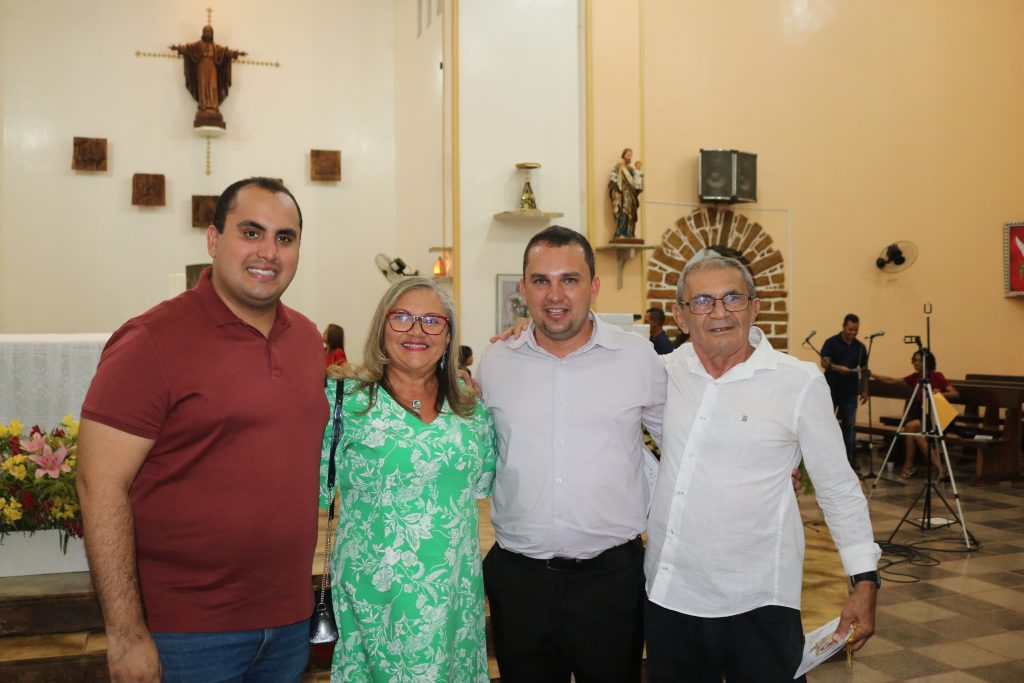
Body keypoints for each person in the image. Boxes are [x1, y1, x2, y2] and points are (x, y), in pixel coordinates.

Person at [76, 177, 328, 683]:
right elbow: (98, 484)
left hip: (288, 621)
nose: (269, 252)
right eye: (251, 233)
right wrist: (125, 633)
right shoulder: (150, 340)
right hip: (186, 632)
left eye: (285, 238)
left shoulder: (304, 337)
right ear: (214, 240)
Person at [645, 254, 881, 682]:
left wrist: (864, 581)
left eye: (732, 298)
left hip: (759, 601)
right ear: (681, 316)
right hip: (671, 596)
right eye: (702, 301)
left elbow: (838, 488)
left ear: (755, 308)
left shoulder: (798, 382)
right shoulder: (663, 373)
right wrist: (527, 332)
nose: (719, 312)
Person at [478, 225, 665, 683]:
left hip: (610, 583)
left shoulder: (638, 359)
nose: (555, 295)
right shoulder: (496, 361)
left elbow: (685, 443)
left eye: (570, 280)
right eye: (541, 281)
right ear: (524, 289)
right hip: (519, 582)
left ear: (594, 286)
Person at [321, 276, 497, 682]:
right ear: (381, 328)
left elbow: (482, 484)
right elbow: (308, 488)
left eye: (432, 321)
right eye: (401, 317)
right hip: (374, 606)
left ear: (449, 336)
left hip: (454, 602)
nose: (416, 331)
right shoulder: (344, 402)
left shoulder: (470, 409)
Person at [872, 349, 959, 481]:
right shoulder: (915, 377)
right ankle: (941, 471)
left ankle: (909, 466)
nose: (917, 363)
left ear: (928, 362)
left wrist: (939, 394)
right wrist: (872, 374)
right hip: (925, 418)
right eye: (915, 360)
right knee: (917, 435)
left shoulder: (936, 376)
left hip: (939, 418)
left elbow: (955, 393)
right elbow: (891, 381)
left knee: (910, 427)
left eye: (920, 360)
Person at [170, 24, 247, 128]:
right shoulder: (198, 45)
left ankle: (213, 106)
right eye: (206, 31)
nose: (208, 33)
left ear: (212, 34)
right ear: (203, 33)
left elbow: (225, 52)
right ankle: (203, 105)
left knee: (213, 86)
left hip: (212, 68)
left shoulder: (215, 47)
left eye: (210, 32)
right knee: (202, 85)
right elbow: (188, 49)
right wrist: (178, 48)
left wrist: (236, 53)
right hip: (201, 67)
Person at [821, 314, 869, 472]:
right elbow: (824, 362)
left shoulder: (860, 347)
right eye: (850, 330)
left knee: (849, 426)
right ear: (843, 327)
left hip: (850, 392)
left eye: (856, 330)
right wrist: (837, 368)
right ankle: (825, 459)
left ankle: (850, 460)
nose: (853, 333)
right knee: (826, 424)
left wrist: (864, 390)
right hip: (831, 390)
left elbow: (864, 370)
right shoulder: (831, 342)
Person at [609, 148, 644, 239]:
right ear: (623, 156)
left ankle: (629, 232)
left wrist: (640, 178)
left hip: (631, 193)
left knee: (631, 213)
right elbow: (613, 180)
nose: (629, 157)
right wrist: (615, 192)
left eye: (631, 155)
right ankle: (620, 232)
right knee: (623, 211)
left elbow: (637, 182)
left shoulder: (632, 170)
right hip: (622, 193)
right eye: (628, 155)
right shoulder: (619, 167)